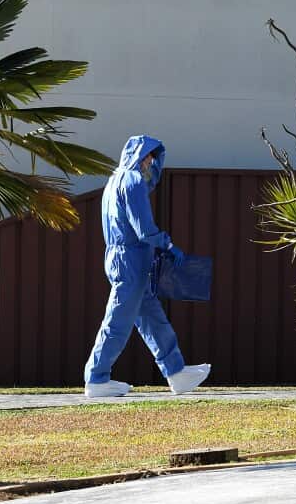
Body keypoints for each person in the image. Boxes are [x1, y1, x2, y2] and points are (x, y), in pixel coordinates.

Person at [84, 135, 211, 398]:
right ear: (141, 157)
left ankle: (176, 372)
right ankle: (96, 378)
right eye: (149, 157)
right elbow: (144, 228)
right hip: (132, 259)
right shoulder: (132, 181)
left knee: (153, 319)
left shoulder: (112, 182)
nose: (151, 163)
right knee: (118, 320)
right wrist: (167, 244)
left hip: (123, 258)